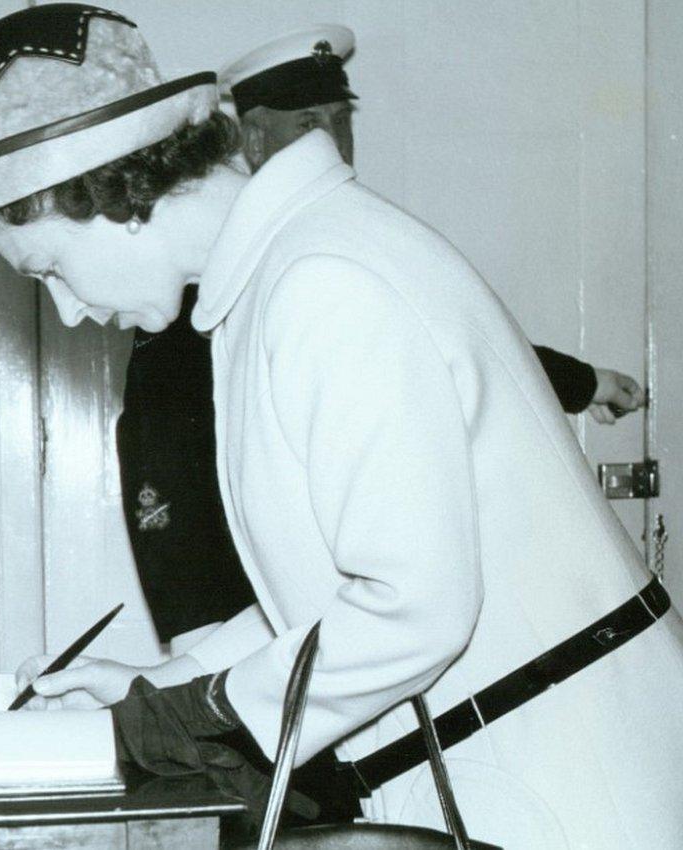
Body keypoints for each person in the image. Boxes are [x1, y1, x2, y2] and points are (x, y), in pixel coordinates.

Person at [0, 6, 683, 848]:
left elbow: (411, 607)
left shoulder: (324, 278)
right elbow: (328, 584)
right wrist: (164, 682)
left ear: (113, 194)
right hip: (513, 760)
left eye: (50, 268)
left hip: (567, 782)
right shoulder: (275, 276)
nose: (68, 308)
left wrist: (176, 721)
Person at [117, 25, 647, 655]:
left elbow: (441, 338)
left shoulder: (324, 237)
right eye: (308, 122)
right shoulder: (225, 260)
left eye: (342, 119)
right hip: (260, 624)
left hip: (345, 626)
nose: (334, 143)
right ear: (254, 138)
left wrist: (584, 384)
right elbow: (161, 456)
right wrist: (194, 642)